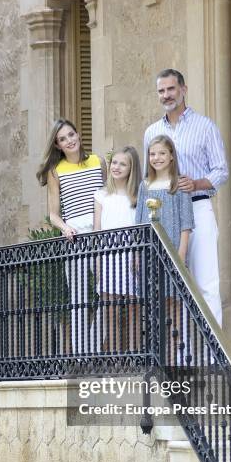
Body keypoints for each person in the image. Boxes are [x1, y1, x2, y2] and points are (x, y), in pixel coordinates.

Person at [144, 68, 229, 327]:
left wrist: (196, 184)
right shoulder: (151, 132)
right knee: (172, 286)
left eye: (171, 89)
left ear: (183, 89)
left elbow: (221, 171)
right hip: (166, 213)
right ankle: (181, 357)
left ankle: (216, 357)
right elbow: (148, 177)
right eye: (161, 90)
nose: (166, 95)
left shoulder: (205, 126)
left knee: (206, 283)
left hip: (198, 207)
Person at [36, 119, 106, 354]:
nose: (70, 140)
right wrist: (65, 228)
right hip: (74, 235)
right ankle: (80, 353)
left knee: (108, 293)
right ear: (58, 145)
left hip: (101, 232)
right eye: (63, 139)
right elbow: (53, 214)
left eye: (71, 135)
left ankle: (92, 347)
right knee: (78, 298)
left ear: (78, 134)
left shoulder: (99, 162)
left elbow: (108, 199)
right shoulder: (56, 171)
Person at [136, 135, 195, 364]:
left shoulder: (178, 184)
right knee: (154, 305)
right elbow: (139, 221)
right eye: (152, 154)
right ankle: (159, 357)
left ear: (171, 156)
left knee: (175, 303)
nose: (156, 158)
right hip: (150, 253)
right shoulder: (144, 186)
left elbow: (186, 222)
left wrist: (181, 253)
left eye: (161, 153)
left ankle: (178, 359)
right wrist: (138, 254)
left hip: (173, 251)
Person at [93, 146, 141, 352]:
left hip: (131, 257)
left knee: (134, 309)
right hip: (108, 257)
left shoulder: (137, 196)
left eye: (123, 164)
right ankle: (114, 357)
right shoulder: (101, 195)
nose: (117, 167)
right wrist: (97, 261)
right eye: (114, 163)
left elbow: (140, 229)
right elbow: (96, 231)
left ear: (131, 169)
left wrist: (138, 255)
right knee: (110, 311)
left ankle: (135, 355)